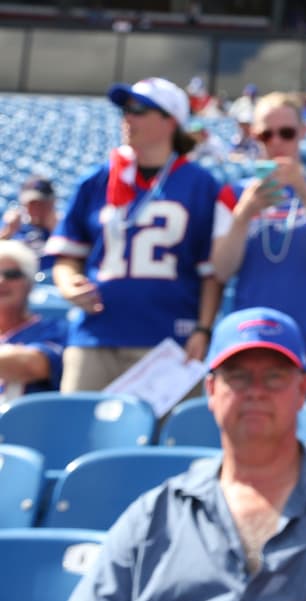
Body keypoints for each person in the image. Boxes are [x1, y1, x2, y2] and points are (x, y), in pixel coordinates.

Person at [63, 307, 306, 601]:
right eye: (238, 377)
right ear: (211, 390)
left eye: (274, 376)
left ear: (302, 389)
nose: (256, 392)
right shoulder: (154, 515)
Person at [47, 78, 222, 391]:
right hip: (95, 335)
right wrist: (68, 284)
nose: (128, 117)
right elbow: (68, 257)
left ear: (170, 121)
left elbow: (210, 271)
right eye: (125, 110)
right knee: (80, 421)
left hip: (170, 339)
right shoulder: (96, 180)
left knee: (169, 425)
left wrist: (203, 329)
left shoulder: (200, 184)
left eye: (139, 109)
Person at [211, 93, 306, 426]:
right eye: (266, 135)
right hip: (251, 347)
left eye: (286, 133)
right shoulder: (233, 195)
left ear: (303, 132)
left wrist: (304, 191)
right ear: (253, 136)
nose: (276, 142)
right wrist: (244, 213)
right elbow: (221, 268)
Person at [0, 241, 65, 400]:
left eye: (12, 274)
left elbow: (33, 366)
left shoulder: (54, 329)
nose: (1, 281)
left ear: (29, 283)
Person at [2, 175, 59, 273]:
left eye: (42, 203)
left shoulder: (62, 226)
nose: (36, 208)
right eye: (32, 203)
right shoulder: (13, 223)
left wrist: (56, 232)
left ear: (52, 203)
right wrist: (8, 232)